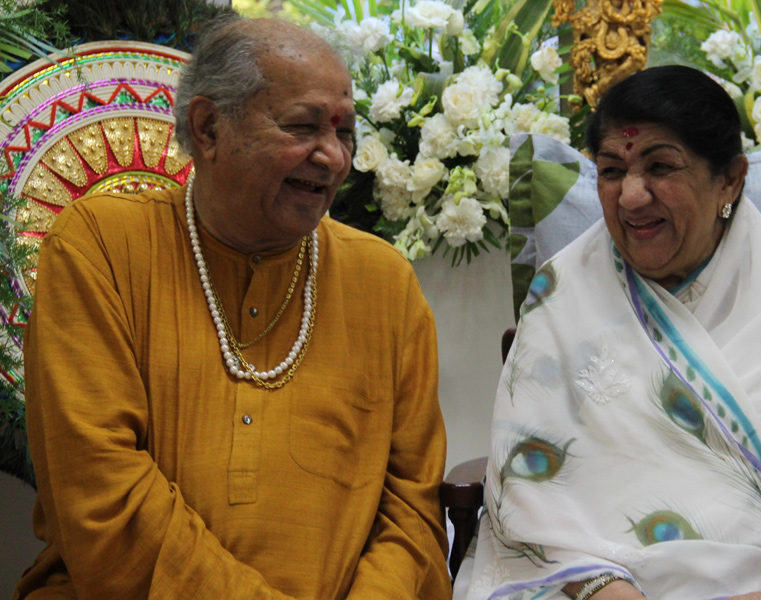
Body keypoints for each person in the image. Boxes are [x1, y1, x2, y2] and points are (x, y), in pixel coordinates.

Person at [14, 15, 451, 600]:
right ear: (210, 127)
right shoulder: (99, 247)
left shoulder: (385, 282)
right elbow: (100, 493)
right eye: (302, 127)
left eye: (344, 132)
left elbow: (412, 511)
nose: (332, 158)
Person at [454, 65, 761, 600]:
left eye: (661, 166)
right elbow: (526, 488)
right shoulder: (564, 289)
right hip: (593, 585)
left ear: (730, 180)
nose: (632, 197)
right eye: (612, 170)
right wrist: (609, 592)